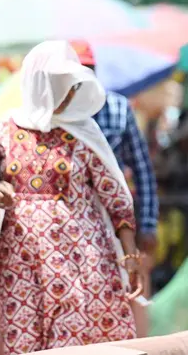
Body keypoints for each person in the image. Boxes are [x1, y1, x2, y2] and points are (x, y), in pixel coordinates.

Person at [0, 41, 141, 354]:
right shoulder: (4, 129)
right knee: (24, 336)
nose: (67, 92)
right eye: (58, 83)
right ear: (36, 82)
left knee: (78, 333)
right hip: (22, 259)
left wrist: (130, 254)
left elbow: (116, 199)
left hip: (82, 260)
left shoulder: (83, 132)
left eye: (71, 85)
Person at [70, 41, 159, 255]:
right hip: (71, 221)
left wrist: (148, 225)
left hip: (114, 220)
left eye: (88, 70)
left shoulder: (117, 108)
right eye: (77, 71)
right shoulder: (52, 115)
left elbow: (142, 169)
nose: (83, 78)